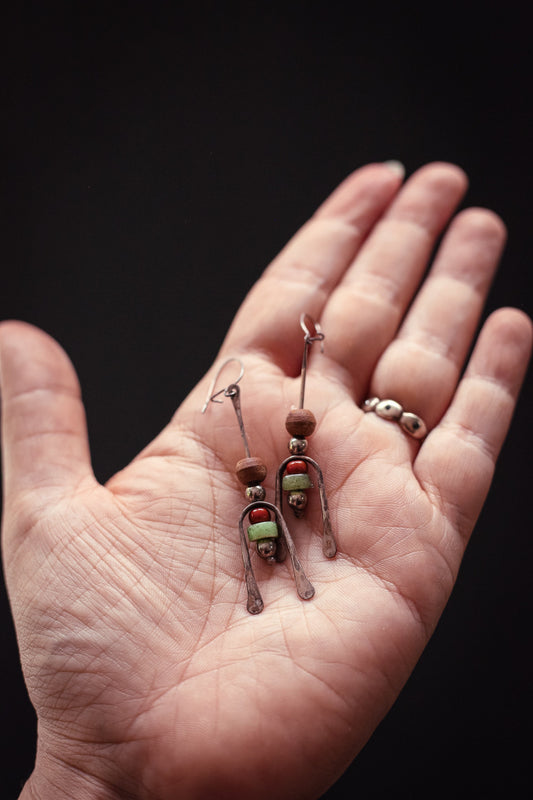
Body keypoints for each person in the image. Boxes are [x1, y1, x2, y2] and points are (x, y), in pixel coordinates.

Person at [0, 161, 530, 800]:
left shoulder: (291, 475)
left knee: (293, 511)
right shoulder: (271, 492)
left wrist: (98, 777)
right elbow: (276, 515)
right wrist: (98, 772)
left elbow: (293, 503)